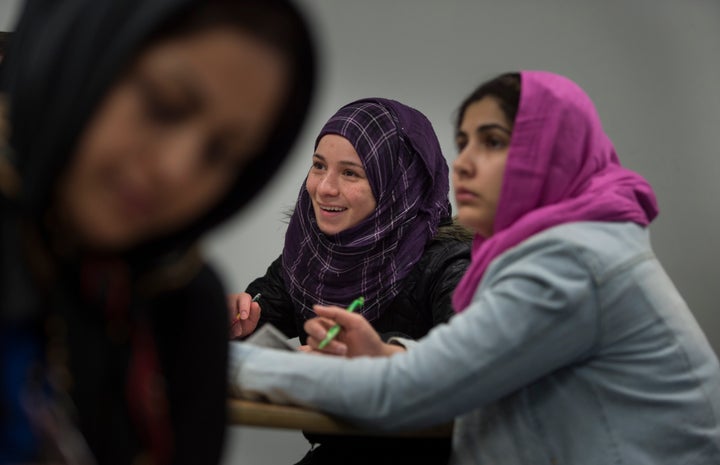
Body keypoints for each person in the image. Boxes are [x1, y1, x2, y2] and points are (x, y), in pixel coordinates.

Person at [228, 71, 720, 464]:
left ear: (555, 153)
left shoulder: (570, 262)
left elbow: (413, 390)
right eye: (464, 141)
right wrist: (386, 355)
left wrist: (224, 362)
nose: (462, 163)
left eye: (493, 142)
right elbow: (462, 363)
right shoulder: (558, 248)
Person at [0, 0, 315, 464]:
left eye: (223, 154)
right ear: (75, 57)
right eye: (163, 106)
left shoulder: (180, 301)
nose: (177, 169)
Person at [227, 97, 471, 463]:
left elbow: (469, 367)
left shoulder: (452, 264)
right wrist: (246, 313)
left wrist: (368, 356)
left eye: (351, 173)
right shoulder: (315, 252)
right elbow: (271, 301)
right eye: (318, 166)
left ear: (397, 182)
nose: (324, 188)